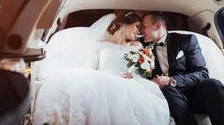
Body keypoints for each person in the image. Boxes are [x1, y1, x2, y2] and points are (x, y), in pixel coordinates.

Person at [33, 12, 170, 125]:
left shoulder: (137, 46)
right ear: (126, 23)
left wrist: (132, 75)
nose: (138, 31)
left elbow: (138, 69)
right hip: (104, 78)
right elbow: (93, 67)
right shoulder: (101, 44)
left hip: (129, 81)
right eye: (137, 26)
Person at [141, 11, 224, 125]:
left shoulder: (186, 40)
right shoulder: (141, 47)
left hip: (193, 93)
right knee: (167, 89)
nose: (141, 30)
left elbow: (202, 73)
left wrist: (172, 80)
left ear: (157, 26)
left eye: (144, 26)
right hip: (167, 97)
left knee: (212, 84)